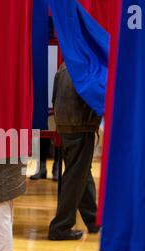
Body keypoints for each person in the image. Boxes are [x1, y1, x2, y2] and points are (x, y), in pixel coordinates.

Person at [48, 63, 102, 241]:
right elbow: (95, 97)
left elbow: (54, 97)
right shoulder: (88, 67)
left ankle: (93, 221)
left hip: (65, 124)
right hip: (81, 125)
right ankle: (60, 226)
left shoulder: (65, 66)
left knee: (81, 173)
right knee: (75, 176)